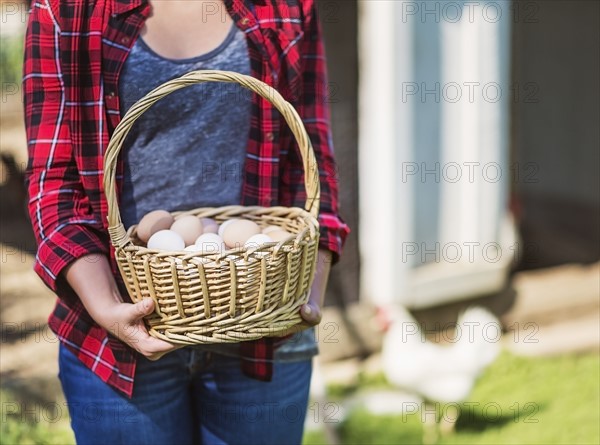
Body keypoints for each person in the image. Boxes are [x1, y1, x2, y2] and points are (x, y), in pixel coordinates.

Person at [23, 0, 349, 444]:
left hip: (264, 313)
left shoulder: (285, 5)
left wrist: (310, 286)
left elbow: (311, 152)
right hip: (117, 333)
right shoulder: (70, 8)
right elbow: (53, 180)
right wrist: (106, 306)